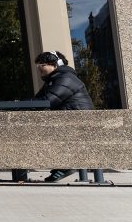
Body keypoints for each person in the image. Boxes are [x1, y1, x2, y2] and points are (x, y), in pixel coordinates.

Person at [34, 50, 94, 184]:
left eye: (41, 65)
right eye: (37, 66)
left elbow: (48, 101)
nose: (39, 69)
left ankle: (66, 165)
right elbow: (37, 101)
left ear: (55, 64)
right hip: (69, 122)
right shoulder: (54, 79)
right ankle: (63, 164)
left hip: (78, 125)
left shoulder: (65, 78)